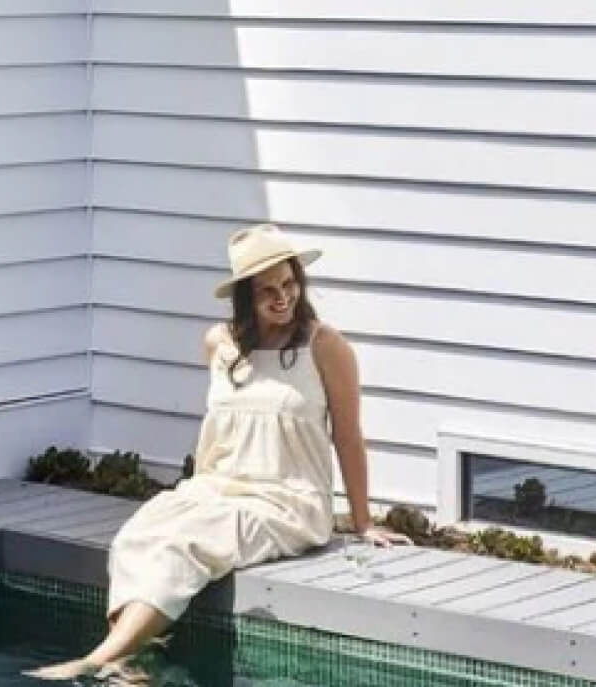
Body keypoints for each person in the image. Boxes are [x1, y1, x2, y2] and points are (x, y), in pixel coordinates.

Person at [32, 223, 410, 682]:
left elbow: (348, 437)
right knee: (138, 536)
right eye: (267, 290)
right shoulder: (220, 345)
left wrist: (364, 521)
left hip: (287, 501)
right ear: (245, 298)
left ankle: (99, 660)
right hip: (216, 488)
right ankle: (131, 667)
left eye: (289, 284)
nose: (282, 298)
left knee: (184, 544)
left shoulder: (325, 347)